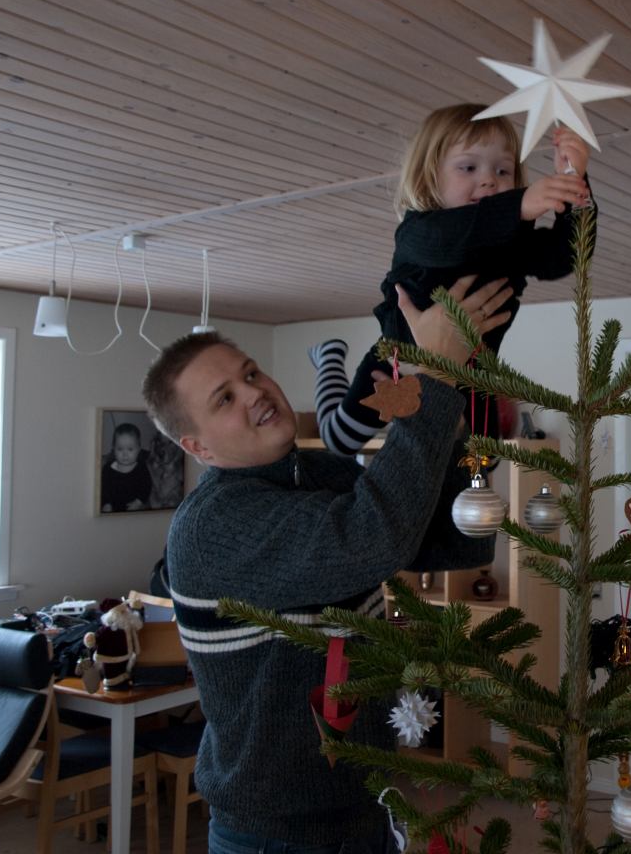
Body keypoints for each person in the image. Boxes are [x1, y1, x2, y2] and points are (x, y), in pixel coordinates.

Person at [141, 275, 512, 854]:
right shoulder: (213, 525)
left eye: (250, 374)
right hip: (276, 836)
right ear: (198, 447)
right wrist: (434, 383)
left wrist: (454, 423)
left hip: (364, 806)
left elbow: (451, 544)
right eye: (224, 399)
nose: (254, 393)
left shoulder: (319, 474)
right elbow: (373, 540)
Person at [309, 104, 595, 456]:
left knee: (484, 459)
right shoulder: (419, 231)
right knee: (340, 441)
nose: (489, 180)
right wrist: (517, 205)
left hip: (472, 376)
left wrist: (575, 186)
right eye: (468, 167)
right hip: (397, 364)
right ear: (428, 177)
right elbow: (449, 241)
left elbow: (564, 257)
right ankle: (329, 357)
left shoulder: (510, 243)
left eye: (503, 170)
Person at [100, 422, 152, 512]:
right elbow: (103, 489)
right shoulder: (108, 469)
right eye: (120, 449)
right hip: (113, 509)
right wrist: (106, 503)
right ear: (113, 449)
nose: (125, 454)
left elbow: (147, 486)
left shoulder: (141, 468)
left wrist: (139, 502)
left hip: (135, 508)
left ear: (139, 449)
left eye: (130, 449)